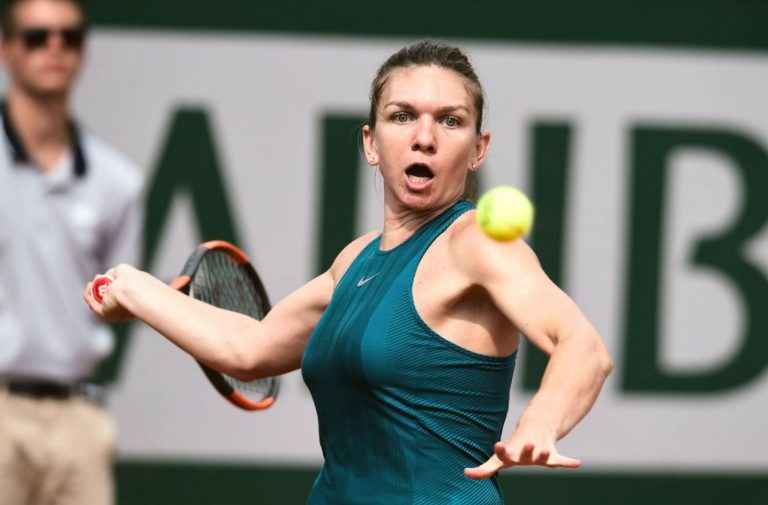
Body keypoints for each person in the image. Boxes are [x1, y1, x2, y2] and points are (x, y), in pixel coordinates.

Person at [84, 41, 612, 504]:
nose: (424, 137)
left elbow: (584, 348)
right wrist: (134, 287)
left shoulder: (476, 242)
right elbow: (250, 350)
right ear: (370, 143)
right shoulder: (354, 261)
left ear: (478, 149)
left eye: (450, 120)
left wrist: (540, 421)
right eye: (402, 116)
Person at [0, 0, 143, 503]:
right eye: (37, 37)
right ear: (6, 50)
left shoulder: (118, 181)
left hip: (79, 420)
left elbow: (114, 305)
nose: (55, 48)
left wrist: (146, 302)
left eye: (70, 36)